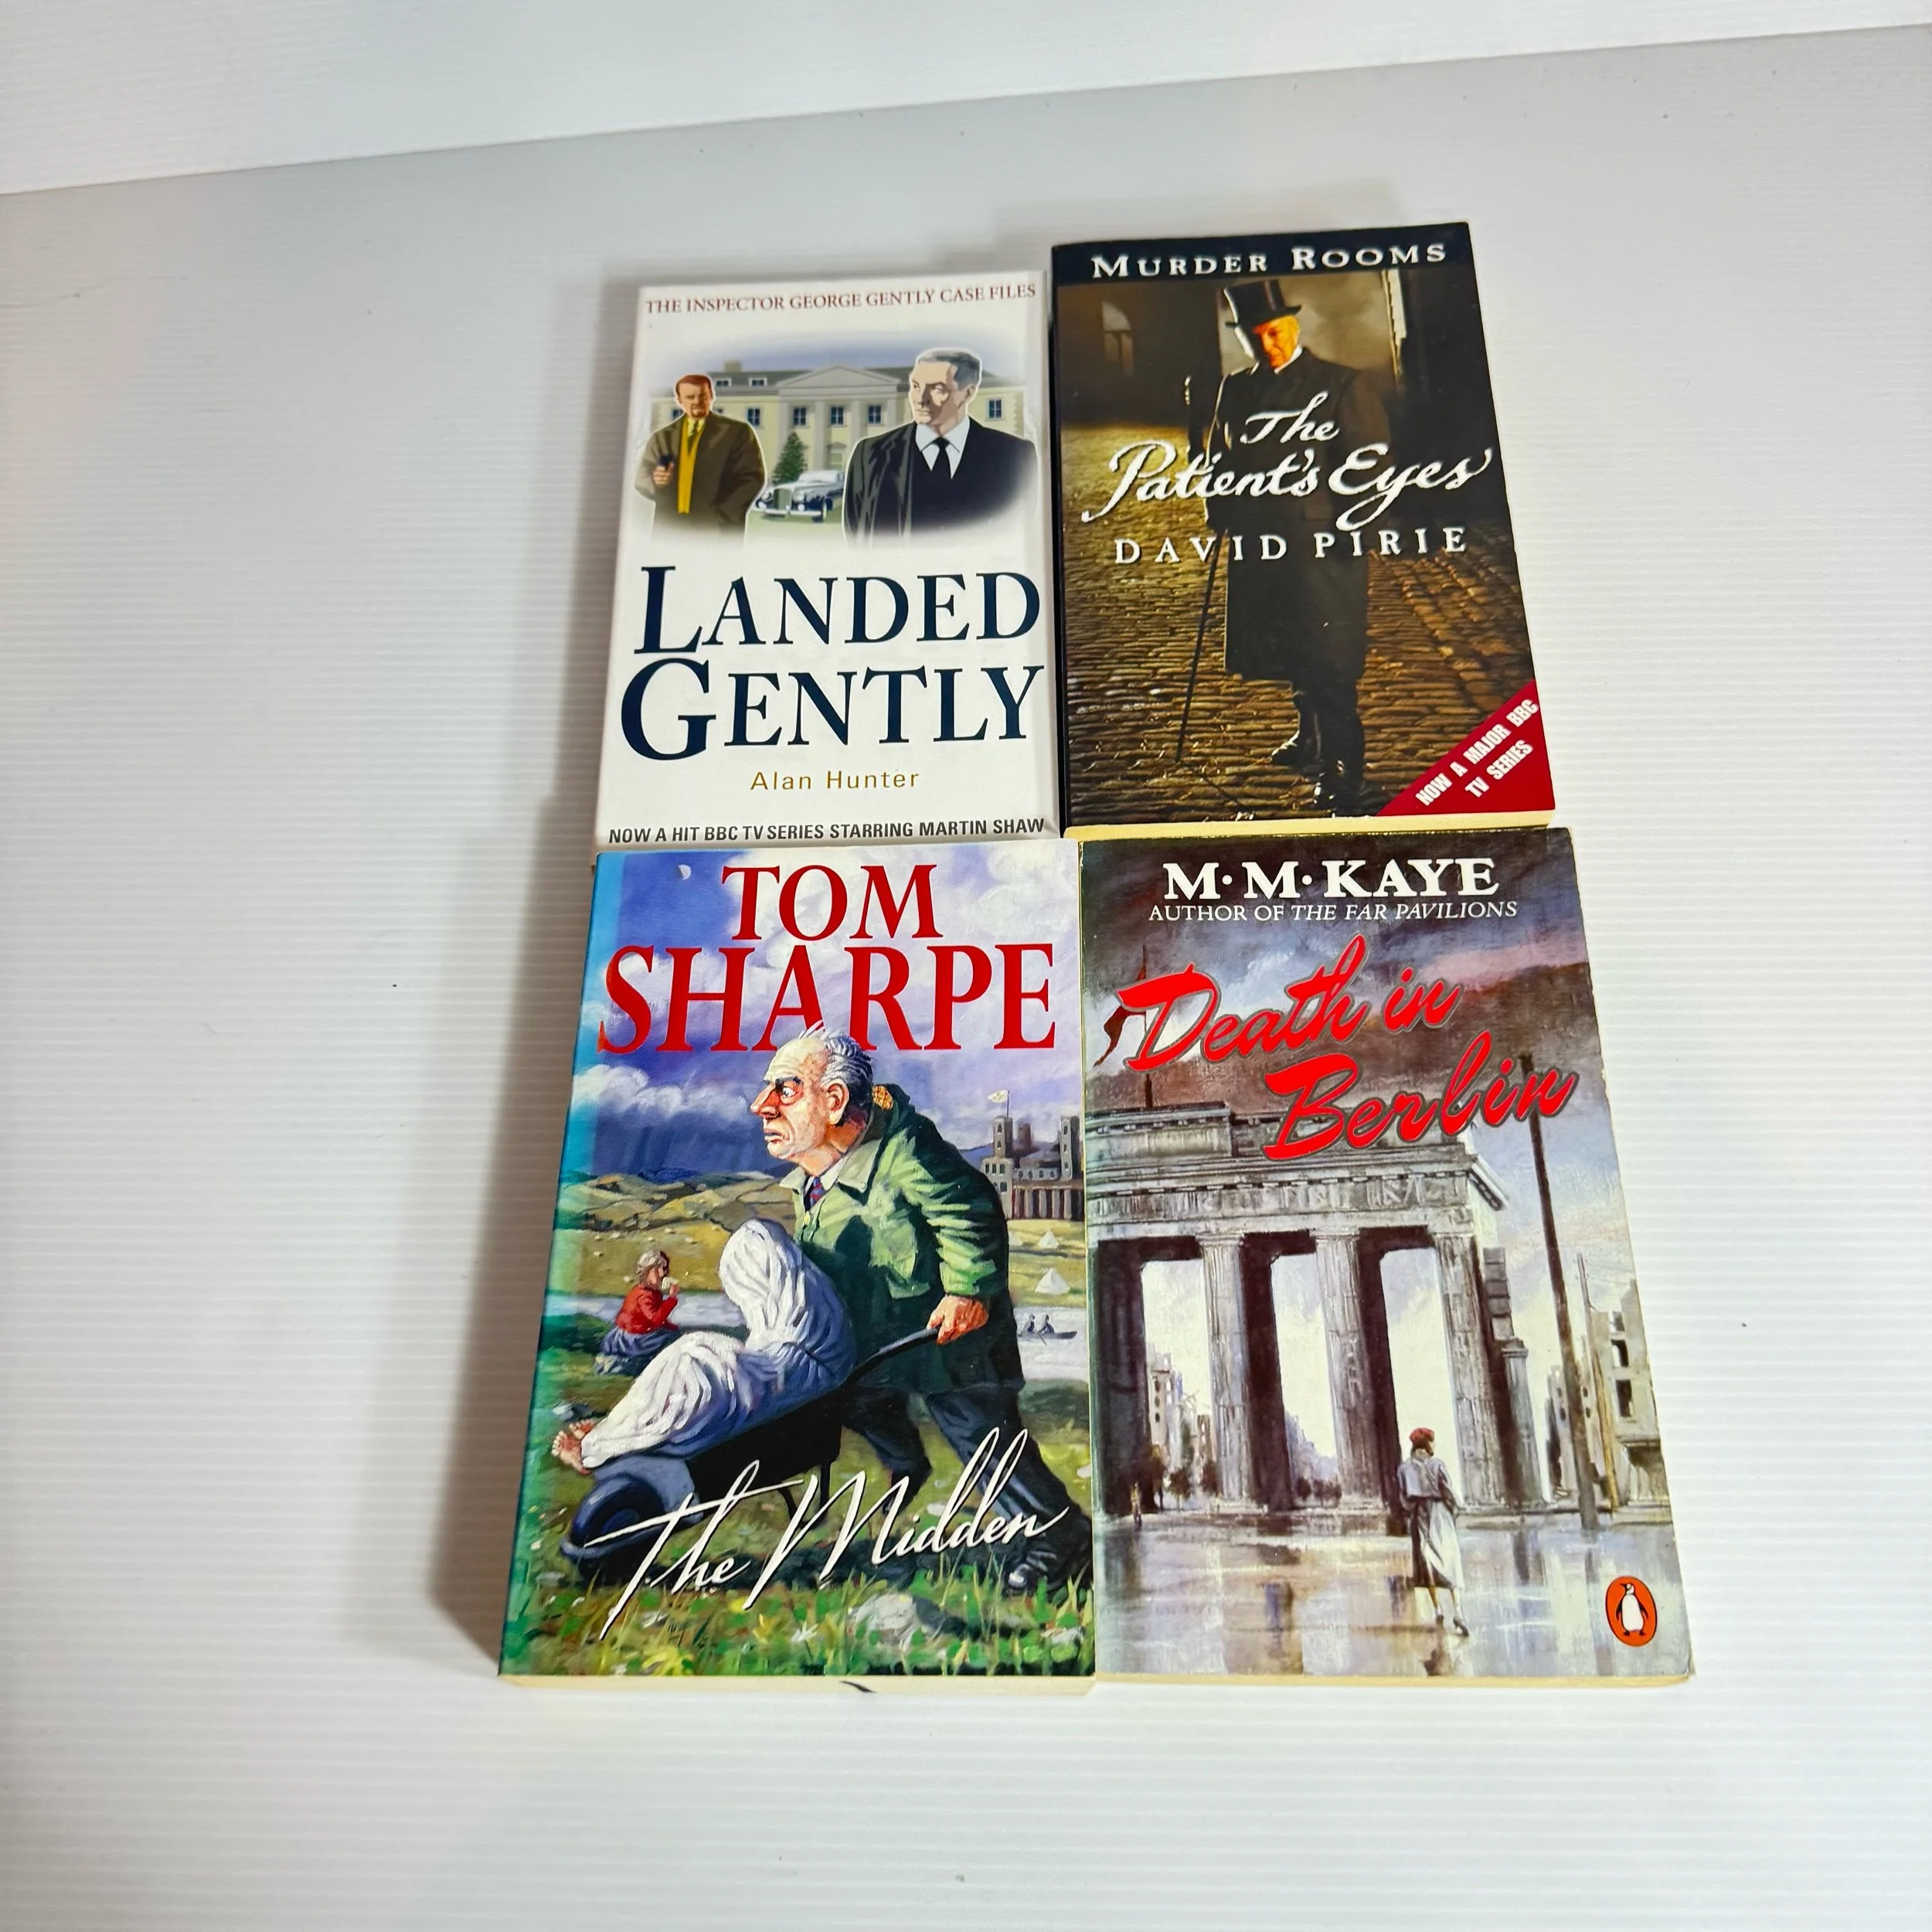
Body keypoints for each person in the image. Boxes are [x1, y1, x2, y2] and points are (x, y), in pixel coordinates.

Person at [750, 1025, 1090, 1592]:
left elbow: (969, 1213)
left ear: (833, 1100)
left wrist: (968, 1292)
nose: (762, 1105)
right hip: (875, 1343)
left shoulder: (906, 1151)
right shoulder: (816, 1175)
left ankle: (1058, 1534)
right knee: (850, 1402)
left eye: (784, 1089)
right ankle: (905, 1469)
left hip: (948, 1343)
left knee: (982, 1439)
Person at [1204, 277, 1390, 814]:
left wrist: (1353, 535)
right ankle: (1308, 737)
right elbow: (1221, 458)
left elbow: (1370, 468)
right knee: (1290, 649)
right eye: (1255, 336)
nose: (1269, 344)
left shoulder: (1340, 384)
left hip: (1321, 550)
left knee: (1328, 660)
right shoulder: (1236, 390)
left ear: (1294, 326)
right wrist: (1221, 511)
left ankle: (1343, 772)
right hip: (1263, 546)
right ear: (1242, 337)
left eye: (1276, 332)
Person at [553, 1217, 854, 1471]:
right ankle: (610, 1433)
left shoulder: (799, 1309)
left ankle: (598, 1446)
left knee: (692, 1367)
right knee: (693, 1362)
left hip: (781, 1380)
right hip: (786, 1377)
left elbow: (780, 1359)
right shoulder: (809, 1297)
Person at [842, 348, 1036, 538]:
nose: (921, 399)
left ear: (967, 393)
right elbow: (856, 537)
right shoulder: (869, 456)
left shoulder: (1015, 457)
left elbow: (1021, 535)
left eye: (937, 389)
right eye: (916, 386)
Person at [634, 372, 766, 532]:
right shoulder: (661, 438)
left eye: (703, 396)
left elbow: (752, 479)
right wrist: (656, 482)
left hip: (717, 531)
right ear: (679, 401)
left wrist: (723, 516)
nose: (697, 402)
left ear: (712, 396)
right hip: (668, 529)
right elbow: (641, 478)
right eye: (690, 397)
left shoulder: (738, 432)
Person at [1398, 1426, 1469, 1636]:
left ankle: (1438, 1610)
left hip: (1420, 1514)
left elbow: (1404, 1499)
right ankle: (1458, 1612)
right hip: (1440, 1514)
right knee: (1450, 1561)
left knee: (1427, 1561)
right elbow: (1448, 1490)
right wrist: (1455, 1508)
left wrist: (1414, 1509)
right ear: (1428, 1444)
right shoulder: (1437, 1464)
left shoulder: (1404, 1468)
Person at [593, 1247, 681, 1374]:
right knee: (671, 1338)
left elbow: (657, 1317)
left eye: (664, 1268)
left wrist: (671, 1327)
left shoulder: (650, 1292)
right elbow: (656, 1319)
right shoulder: (644, 1296)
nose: (662, 1273)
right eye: (657, 1269)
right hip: (633, 1339)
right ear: (646, 1272)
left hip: (636, 1333)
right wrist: (672, 1298)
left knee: (673, 1333)